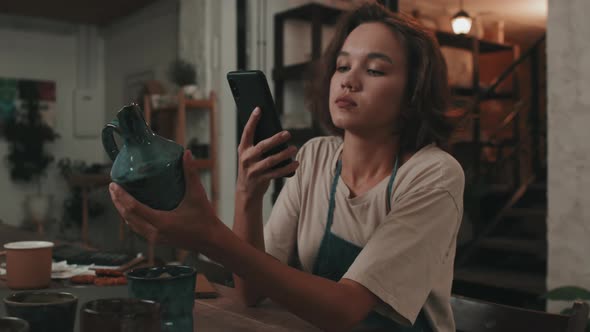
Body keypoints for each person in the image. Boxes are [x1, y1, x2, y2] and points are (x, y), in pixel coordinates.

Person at [109, 3, 464, 331]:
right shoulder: (315, 158)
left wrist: (209, 235)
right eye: (342, 66)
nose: (348, 80)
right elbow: (249, 292)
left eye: (374, 69)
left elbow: (346, 309)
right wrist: (247, 192)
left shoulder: (434, 174)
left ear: (413, 93)